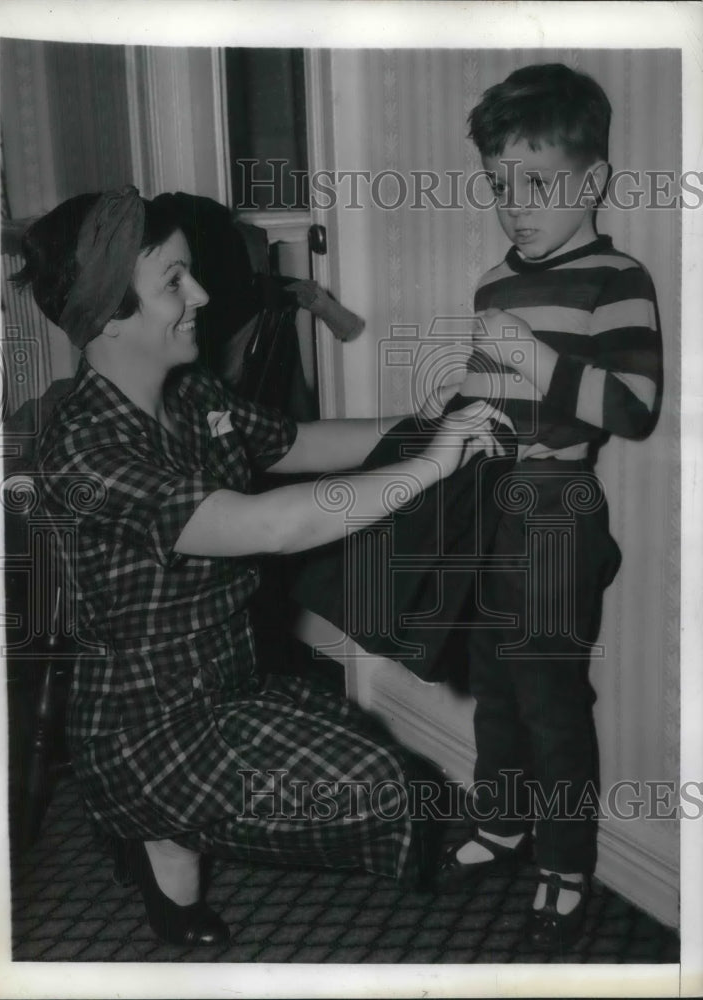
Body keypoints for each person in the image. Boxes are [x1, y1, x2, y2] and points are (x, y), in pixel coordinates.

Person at [16, 187, 503, 947]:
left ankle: (158, 827)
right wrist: (430, 468)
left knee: (372, 755)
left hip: (232, 674)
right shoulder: (85, 448)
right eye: (175, 281)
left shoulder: (192, 391)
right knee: (374, 791)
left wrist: (432, 426)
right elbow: (267, 525)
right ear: (108, 311)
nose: (202, 295)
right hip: (147, 718)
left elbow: (296, 444)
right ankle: (152, 823)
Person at [437, 63, 663, 951]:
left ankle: (568, 862)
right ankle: (504, 820)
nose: (514, 204)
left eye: (537, 183)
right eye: (500, 185)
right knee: (493, 676)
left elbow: (635, 408)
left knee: (551, 695)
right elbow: (488, 389)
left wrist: (536, 364)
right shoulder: (495, 281)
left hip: (559, 507)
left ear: (593, 181)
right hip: (492, 496)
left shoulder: (617, 276)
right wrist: (463, 404)